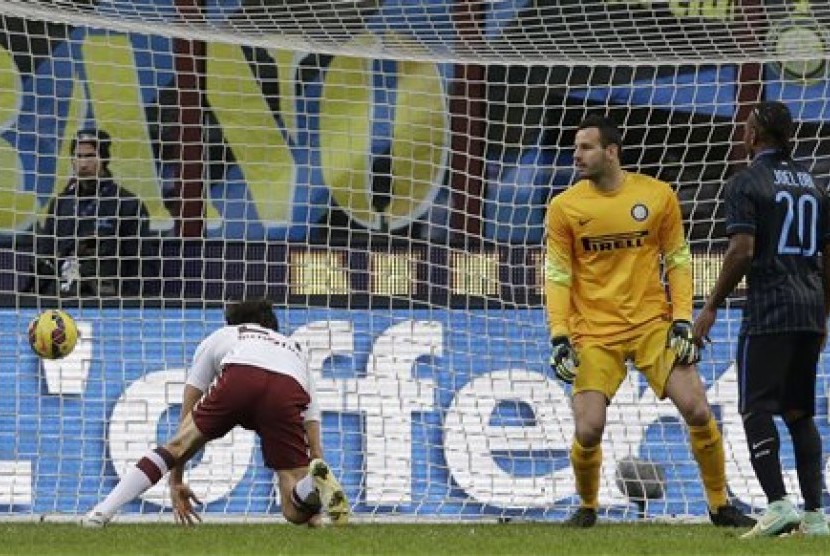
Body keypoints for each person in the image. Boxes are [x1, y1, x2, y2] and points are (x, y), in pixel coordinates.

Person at [545, 114, 754, 528]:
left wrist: (681, 318)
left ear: (611, 151)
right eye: (575, 148)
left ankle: (719, 505)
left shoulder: (657, 196)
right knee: (588, 430)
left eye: (585, 147)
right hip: (594, 332)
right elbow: (557, 275)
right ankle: (586, 509)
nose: (576, 156)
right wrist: (560, 335)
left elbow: (677, 259)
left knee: (696, 408)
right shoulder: (565, 207)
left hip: (652, 326)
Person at [81, 299, 350, 528]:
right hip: (286, 387)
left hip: (242, 375)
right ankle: (312, 489)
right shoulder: (293, 347)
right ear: (272, 327)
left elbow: (189, 407)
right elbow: (311, 412)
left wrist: (177, 480)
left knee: (175, 446)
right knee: (293, 510)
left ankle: (102, 512)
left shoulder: (224, 336)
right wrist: (315, 458)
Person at [693, 101, 830, 537]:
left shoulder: (746, 181)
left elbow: (742, 251)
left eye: (746, 126)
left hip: (770, 307)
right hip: (809, 308)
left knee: (755, 408)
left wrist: (711, 304)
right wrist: (824, 312)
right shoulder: (814, 185)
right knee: (799, 413)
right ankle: (815, 515)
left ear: (755, 134)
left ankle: (776, 505)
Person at [29, 128, 152, 297]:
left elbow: (141, 265)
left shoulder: (127, 204)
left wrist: (130, 303)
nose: (83, 164)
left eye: (90, 156)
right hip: (62, 294)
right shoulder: (61, 204)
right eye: (78, 156)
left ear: (103, 159)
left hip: (108, 298)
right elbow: (45, 253)